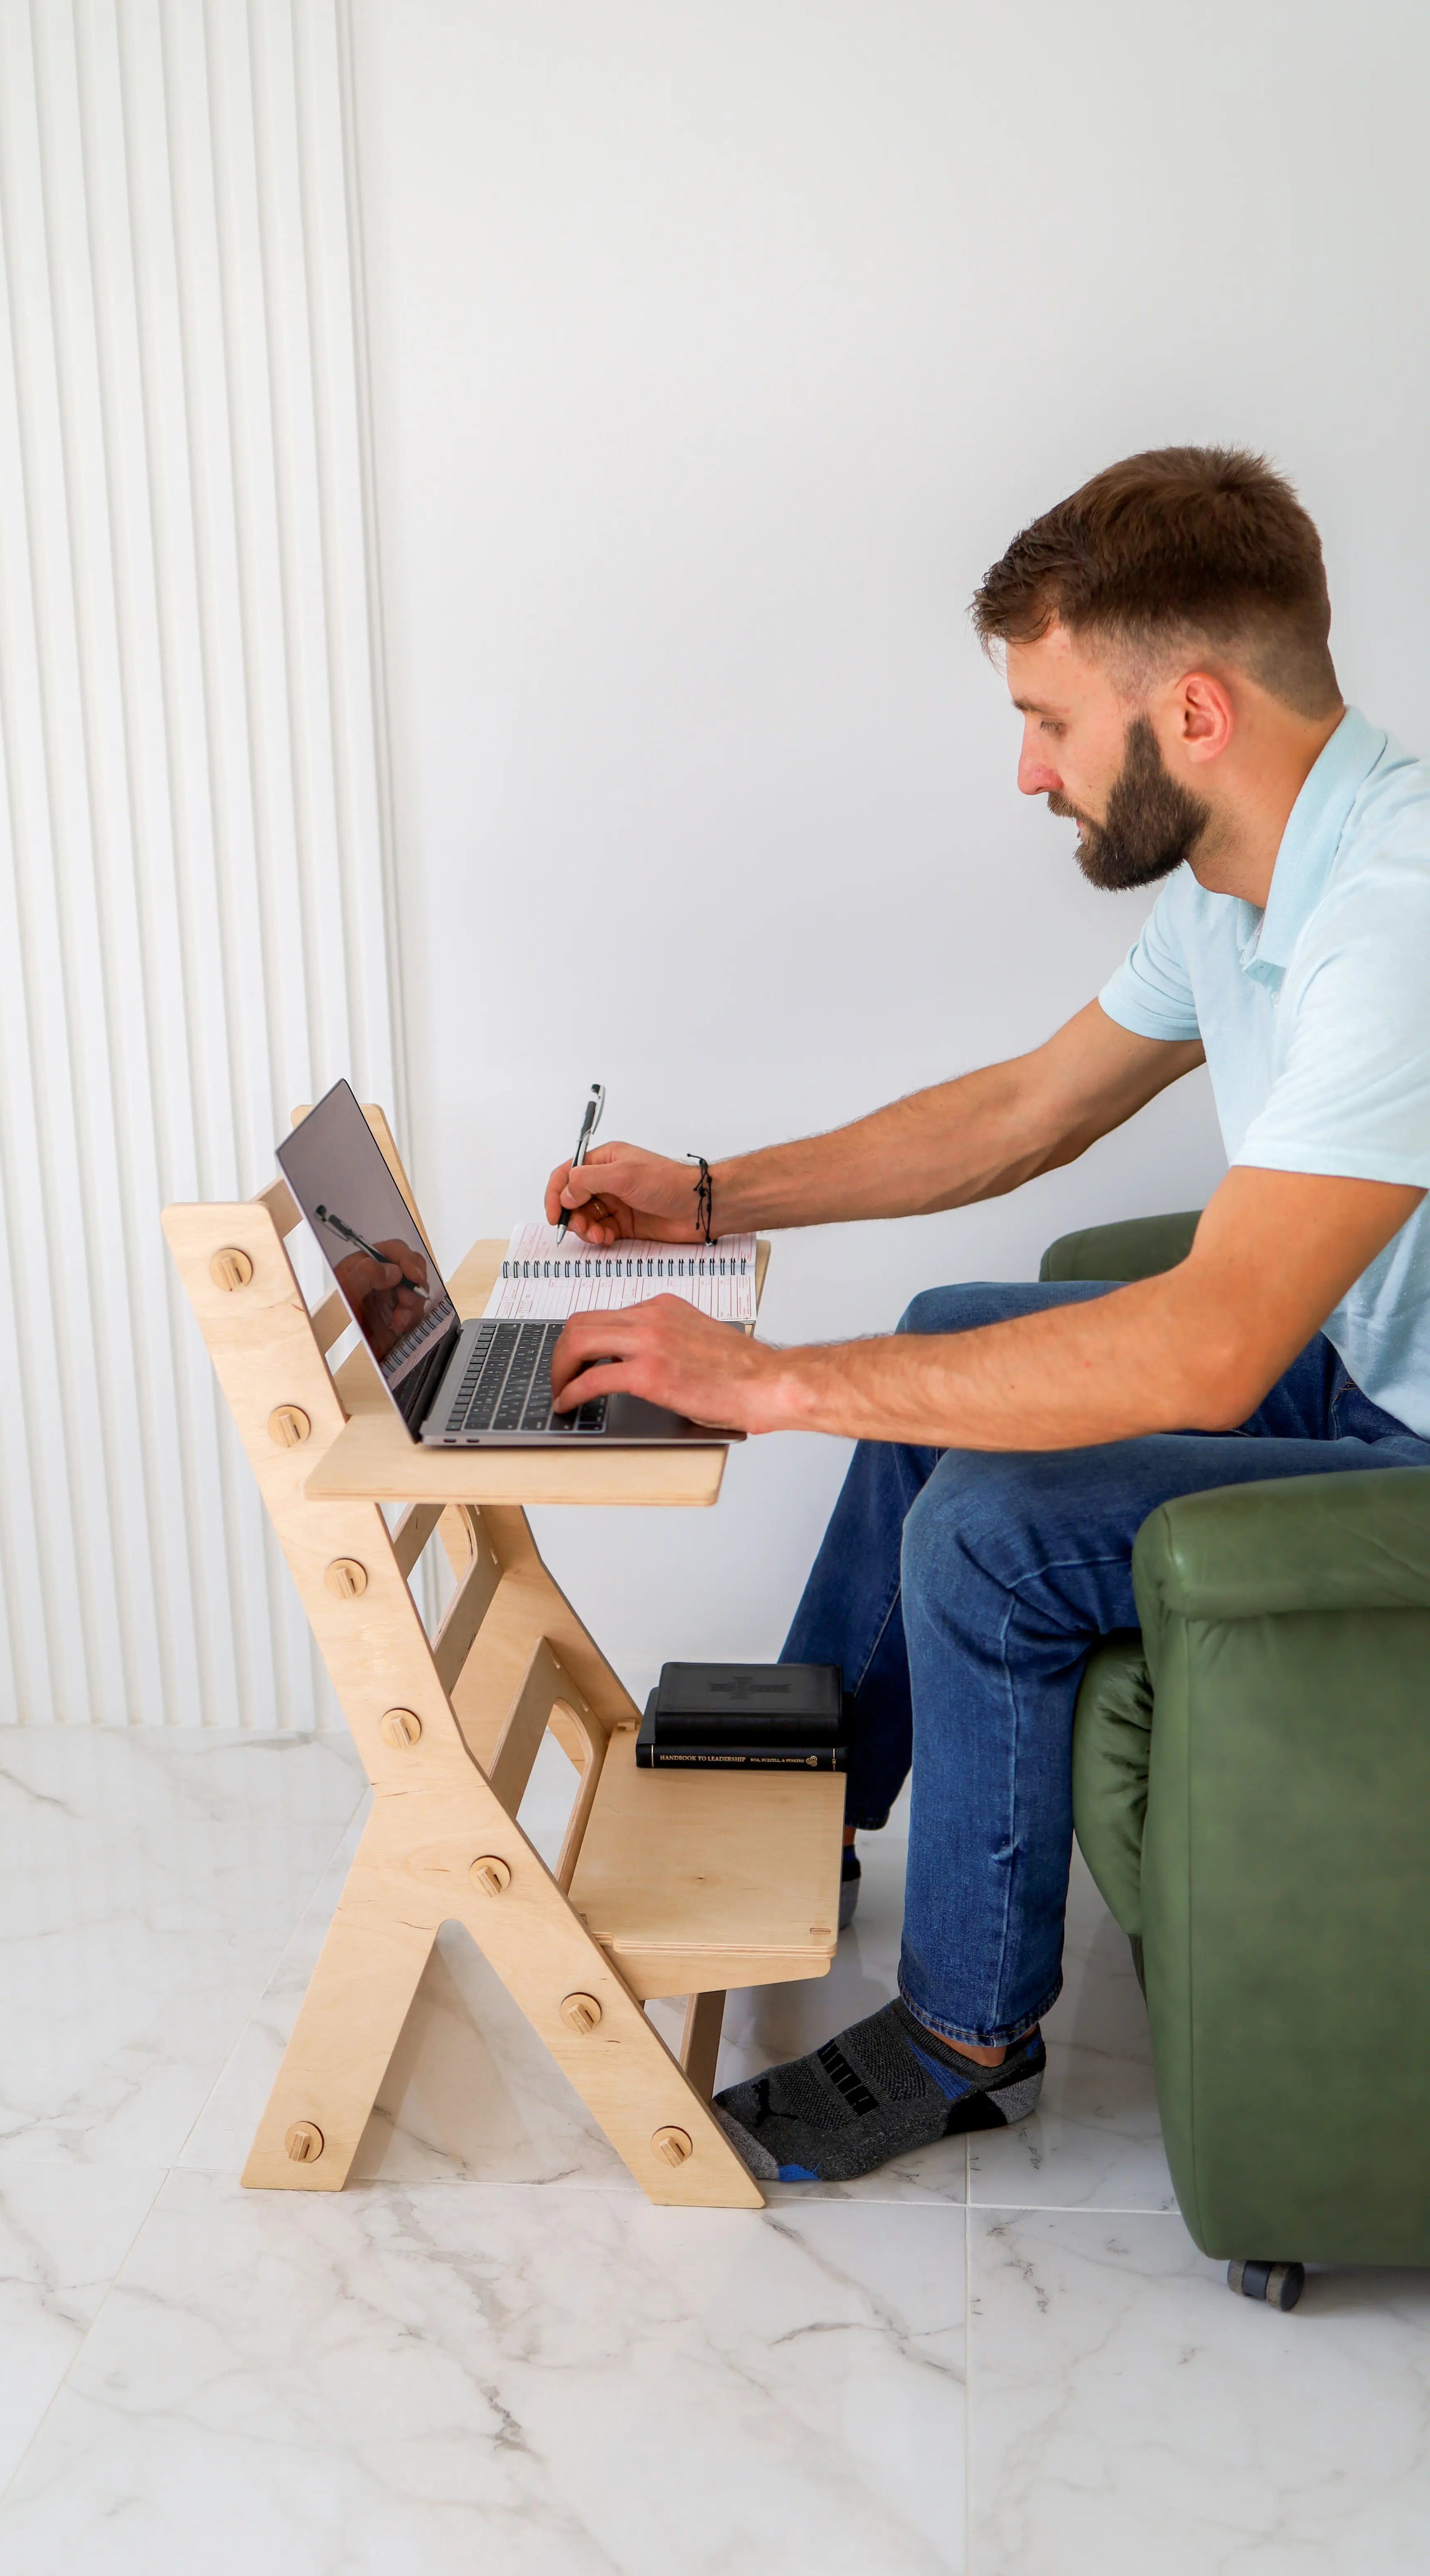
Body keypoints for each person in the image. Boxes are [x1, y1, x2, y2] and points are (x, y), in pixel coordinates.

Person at [543, 447, 1430, 2185]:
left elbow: (1206, 1351)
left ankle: (964, 2040)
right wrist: (711, 1198)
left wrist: (780, 1382)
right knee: (955, 1328)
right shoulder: (1251, 880)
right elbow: (1021, 1115)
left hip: (1405, 1443)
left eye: (1049, 721)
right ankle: (811, 1807)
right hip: (1367, 1373)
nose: (1028, 772)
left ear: (1191, 708)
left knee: (993, 1528)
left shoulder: (1395, 927)